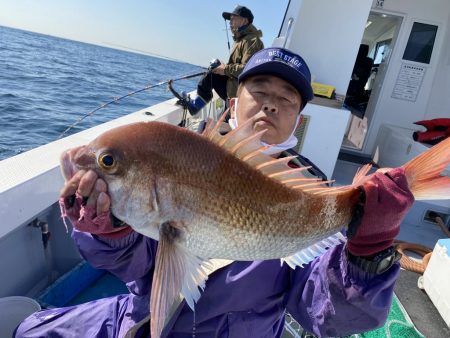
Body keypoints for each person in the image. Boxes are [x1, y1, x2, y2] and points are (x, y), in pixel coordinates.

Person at [15, 47, 414, 338]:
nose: (270, 106)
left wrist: (369, 257)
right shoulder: (179, 155)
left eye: (286, 99)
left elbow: (325, 315)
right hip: (145, 319)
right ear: (236, 101)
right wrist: (105, 232)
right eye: (260, 90)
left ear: (298, 120)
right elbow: (138, 271)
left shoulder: (314, 194)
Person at [178, 5, 264, 116]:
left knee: (211, 76)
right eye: (230, 19)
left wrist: (225, 69)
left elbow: (248, 69)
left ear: (245, 20)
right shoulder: (242, 40)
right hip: (233, 91)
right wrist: (222, 67)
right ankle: (196, 106)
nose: (230, 22)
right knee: (212, 72)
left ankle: (196, 106)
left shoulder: (252, 41)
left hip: (239, 96)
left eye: (233, 18)